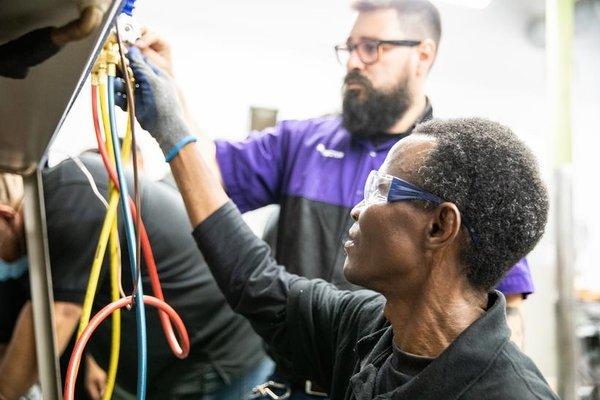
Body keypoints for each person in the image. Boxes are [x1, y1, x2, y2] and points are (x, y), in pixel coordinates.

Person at [128, 0, 534, 395]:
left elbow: (506, 315)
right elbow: (214, 191)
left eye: (373, 47)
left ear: (422, 55)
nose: (356, 61)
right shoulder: (304, 143)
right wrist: (171, 101)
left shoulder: (466, 171)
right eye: (350, 48)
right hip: (305, 375)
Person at [0, 152, 271, 400]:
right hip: (187, 364)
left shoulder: (70, 197)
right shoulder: (66, 191)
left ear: (5, 215)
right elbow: (89, 286)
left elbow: (54, 319)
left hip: (216, 359)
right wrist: (95, 358)